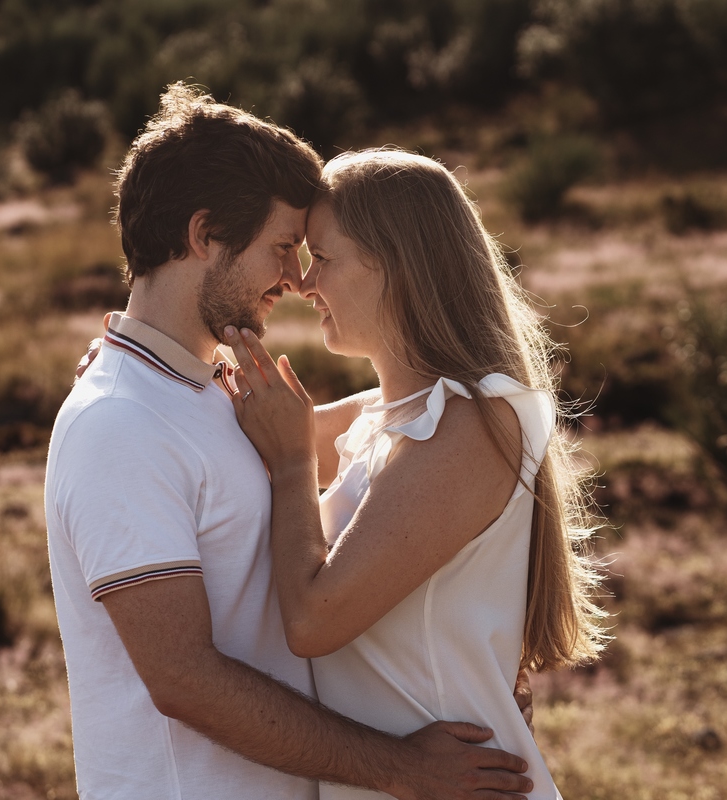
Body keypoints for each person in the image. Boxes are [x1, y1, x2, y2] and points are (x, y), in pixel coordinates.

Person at [45, 84, 534, 800]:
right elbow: (183, 679)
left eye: (309, 255)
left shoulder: (212, 391)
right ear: (202, 235)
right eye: (282, 247)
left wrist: (475, 665)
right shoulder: (118, 424)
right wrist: (400, 767)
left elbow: (410, 433)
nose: (296, 278)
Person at [225, 149, 609, 800]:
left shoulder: (472, 424)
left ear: (397, 265)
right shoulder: (383, 417)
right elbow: (226, 438)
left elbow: (314, 623)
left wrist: (294, 467)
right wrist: (144, 371)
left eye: (324, 257)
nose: (305, 283)